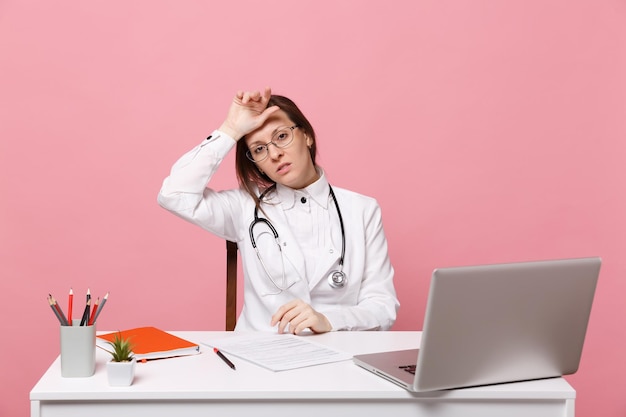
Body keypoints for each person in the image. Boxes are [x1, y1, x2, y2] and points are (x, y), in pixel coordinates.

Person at [158, 87, 399, 334]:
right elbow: (174, 194)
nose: (274, 154)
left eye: (282, 136)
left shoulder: (362, 210)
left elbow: (383, 306)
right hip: (260, 355)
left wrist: (329, 321)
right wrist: (230, 129)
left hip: (336, 355)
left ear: (306, 135)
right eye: (260, 149)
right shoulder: (244, 207)